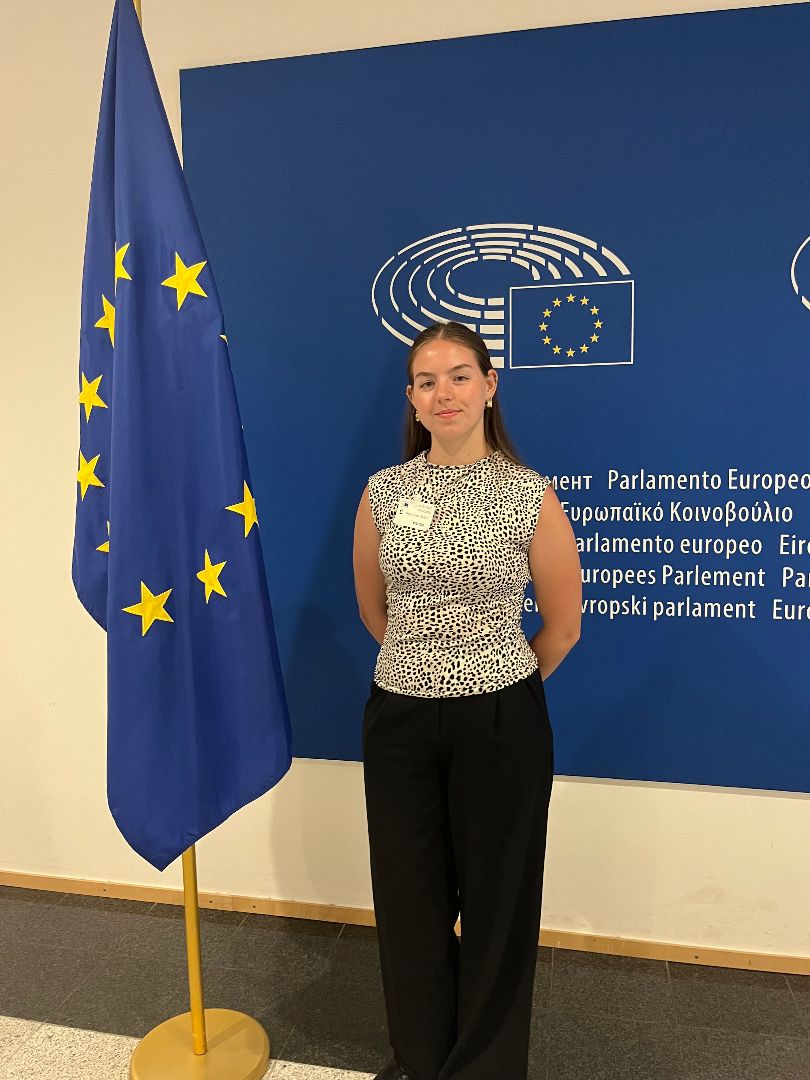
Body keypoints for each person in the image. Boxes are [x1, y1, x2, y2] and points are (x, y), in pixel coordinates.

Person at [352, 321, 582, 1080]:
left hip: (499, 720)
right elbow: (374, 610)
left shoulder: (529, 495)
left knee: (498, 901)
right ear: (411, 401)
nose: (442, 392)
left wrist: (492, 685)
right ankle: (420, 1059)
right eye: (426, 380)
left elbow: (562, 625)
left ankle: (483, 1066)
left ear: (489, 386)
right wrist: (429, 674)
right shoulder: (384, 493)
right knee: (409, 900)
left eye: (458, 375)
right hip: (400, 721)